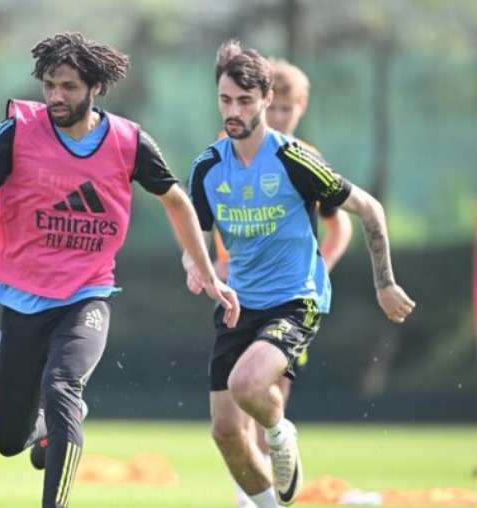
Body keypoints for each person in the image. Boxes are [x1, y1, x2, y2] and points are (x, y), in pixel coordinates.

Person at [0, 32, 239, 508]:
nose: (55, 96)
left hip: (86, 296)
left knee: (61, 386)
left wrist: (211, 276)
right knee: (10, 438)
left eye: (68, 86)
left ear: (94, 88)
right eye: (50, 85)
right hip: (21, 301)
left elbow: (177, 204)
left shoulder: (128, 141)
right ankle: (50, 430)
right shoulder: (15, 133)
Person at [183, 40, 415, 507]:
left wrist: (385, 282)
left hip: (295, 299)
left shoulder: (294, 158)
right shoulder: (208, 167)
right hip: (237, 303)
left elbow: (367, 209)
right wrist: (197, 267)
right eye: (226, 100)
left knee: (248, 386)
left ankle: (277, 428)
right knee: (225, 431)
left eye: (245, 101)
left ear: (266, 101)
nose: (234, 110)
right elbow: (197, 236)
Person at [214, 58, 354, 508]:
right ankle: (253, 491)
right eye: (272, 110)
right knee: (232, 410)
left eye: (285, 111)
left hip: (289, 298)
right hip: (241, 292)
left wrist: (313, 277)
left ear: (299, 107)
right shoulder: (227, 147)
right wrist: (211, 261)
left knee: (265, 392)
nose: (276, 120)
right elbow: (213, 211)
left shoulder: (301, 157)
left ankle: (259, 489)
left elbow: (340, 227)